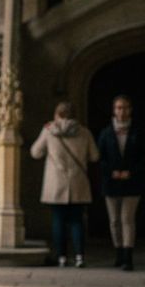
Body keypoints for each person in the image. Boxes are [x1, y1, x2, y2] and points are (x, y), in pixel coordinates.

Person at [30, 101, 99, 268]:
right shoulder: (84, 133)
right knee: (77, 221)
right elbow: (95, 156)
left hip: (56, 184)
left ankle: (61, 257)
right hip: (78, 182)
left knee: (58, 221)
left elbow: (35, 152)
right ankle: (79, 257)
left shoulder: (48, 131)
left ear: (57, 115)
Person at [97, 95, 142, 271]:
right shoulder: (106, 133)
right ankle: (118, 253)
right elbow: (100, 158)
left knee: (127, 219)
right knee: (114, 220)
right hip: (111, 182)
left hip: (132, 182)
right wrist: (111, 172)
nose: (121, 111)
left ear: (130, 110)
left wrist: (131, 172)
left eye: (124, 108)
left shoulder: (138, 132)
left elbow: (143, 158)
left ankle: (128, 257)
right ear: (113, 110)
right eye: (118, 108)